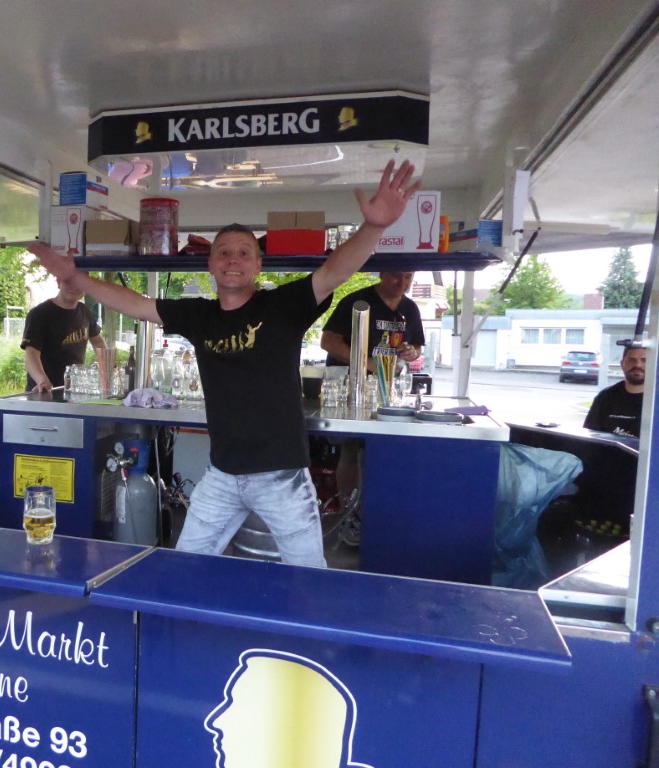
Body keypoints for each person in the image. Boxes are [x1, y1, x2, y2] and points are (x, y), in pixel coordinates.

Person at [29, 159, 420, 567]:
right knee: (187, 568)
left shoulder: (284, 305)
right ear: (211, 263)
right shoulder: (199, 315)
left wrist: (373, 227)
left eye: (244, 253)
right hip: (222, 474)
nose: (233, 259)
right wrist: (76, 278)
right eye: (224, 252)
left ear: (258, 264)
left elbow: (335, 271)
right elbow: (136, 304)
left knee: (309, 577)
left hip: (282, 476)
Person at [320, 271, 427, 545]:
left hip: (386, 387)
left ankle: (377, 517)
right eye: (396, 276)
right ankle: (350, 516)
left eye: (408, 277)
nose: (402, 283)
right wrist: (364, 362)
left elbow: (416, 345)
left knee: (381, 448)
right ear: (381, 274)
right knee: (350, 448)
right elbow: (328, 340)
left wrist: (411, 352)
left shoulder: (409, 308)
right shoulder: (357, 301)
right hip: (349, 384)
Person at [21, 280, 106, 392]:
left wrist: (108, 369)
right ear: (58, 282)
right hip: (45, 391)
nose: (74, 286)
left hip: (73, 389)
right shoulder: (39, 314)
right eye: (68, 281)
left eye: (79, 282)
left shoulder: (84, 311)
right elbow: (31, 353)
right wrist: (42, 381)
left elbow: (98, 342)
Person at [583, 346, 646, 437]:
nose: (638, 365)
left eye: (644, 360)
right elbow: (591, 435)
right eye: (631, 360)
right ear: (622, 364)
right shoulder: (605, 397)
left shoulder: (655, 400)